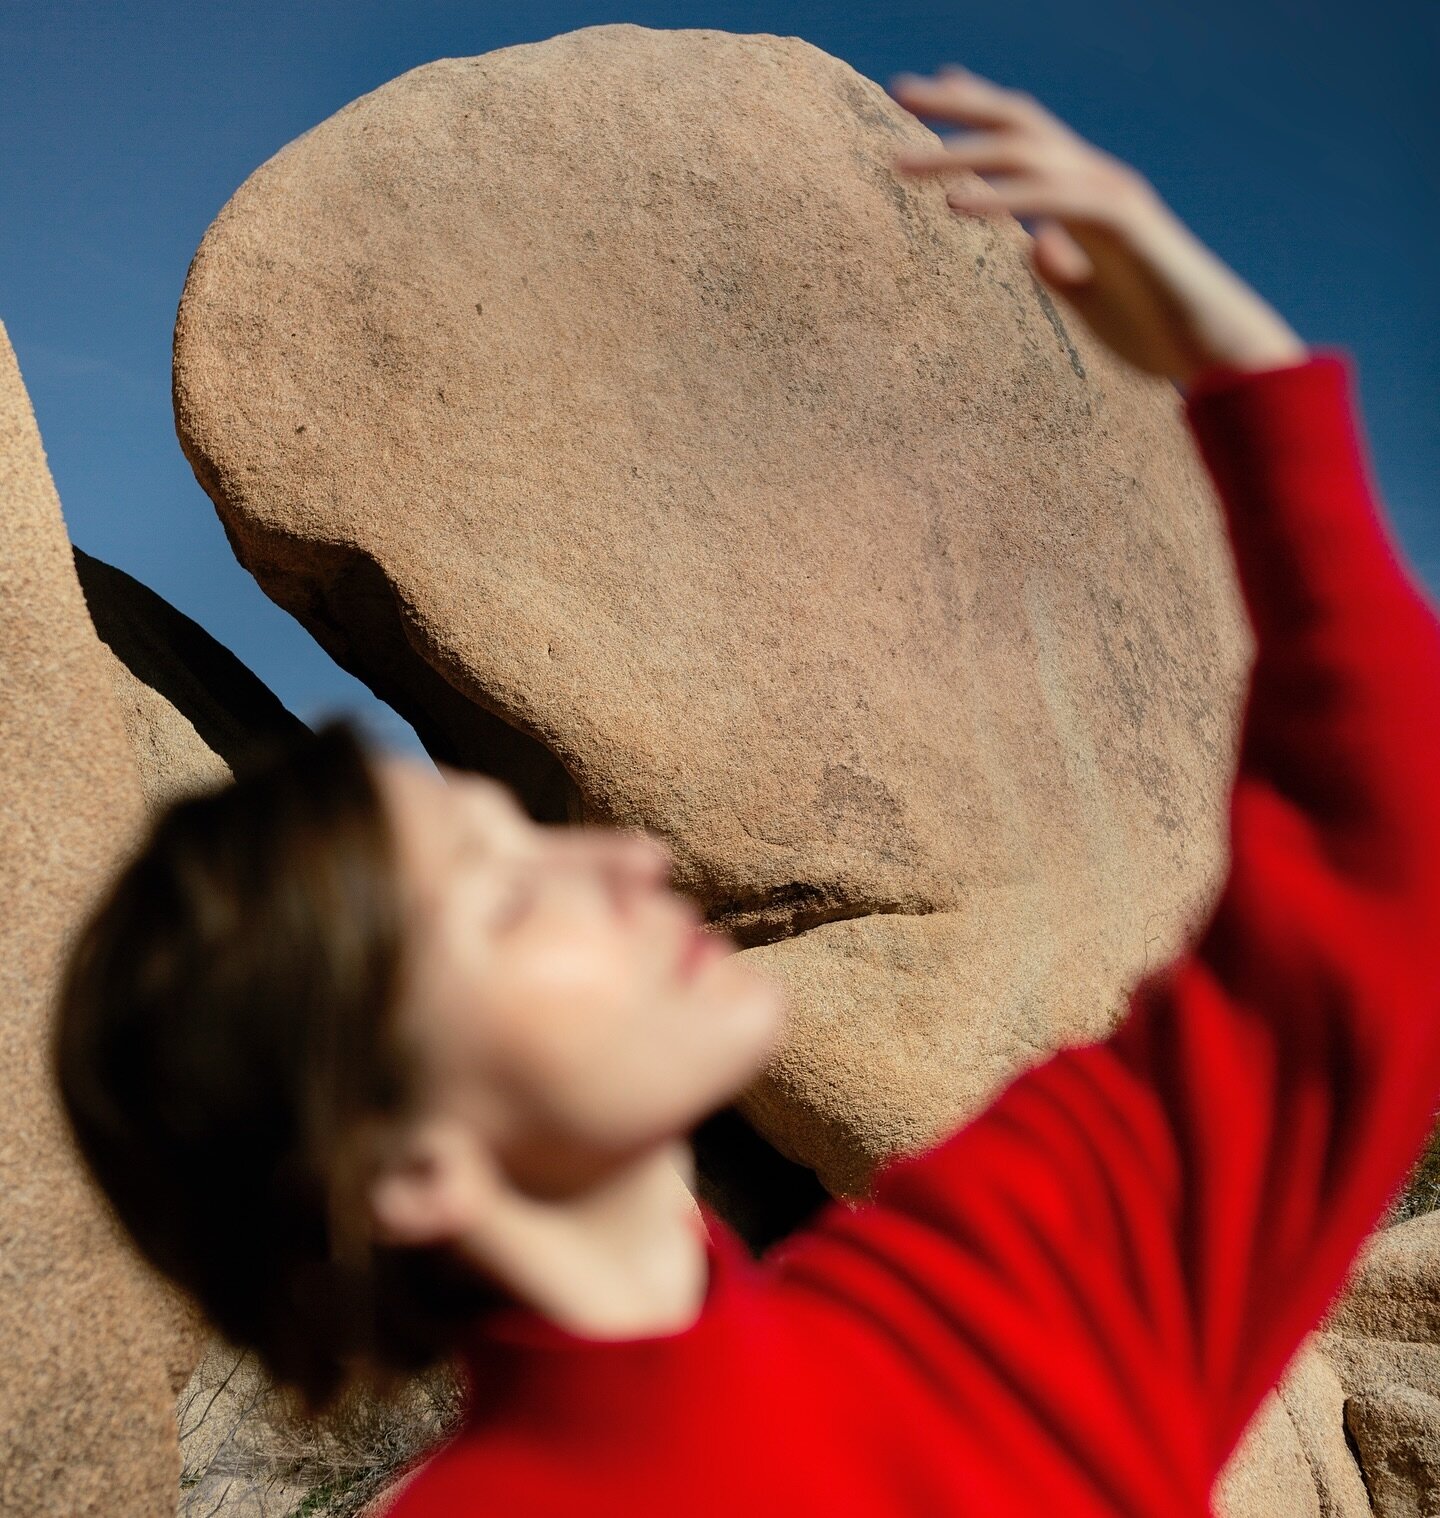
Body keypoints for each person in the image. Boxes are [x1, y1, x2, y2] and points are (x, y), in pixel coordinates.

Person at [52, 62, 1440, 1518]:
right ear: (397, 1160)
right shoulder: (978, 1316)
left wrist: (1228, 369)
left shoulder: (978, 1284)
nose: (628, 864)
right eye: (514, 895)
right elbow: (1369, 906)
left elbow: (1362, 905)